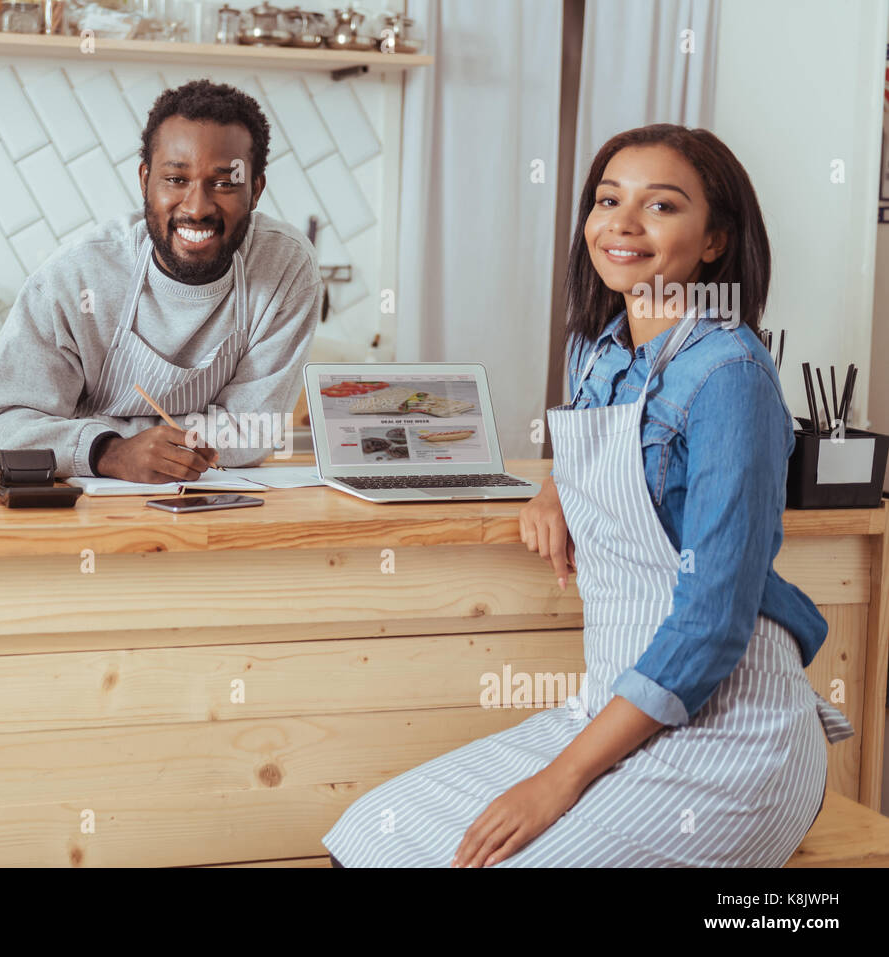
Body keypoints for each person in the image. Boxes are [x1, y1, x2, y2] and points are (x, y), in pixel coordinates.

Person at [322, 123, 854, 868]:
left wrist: (559, 780)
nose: (622, 224)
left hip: (730, 741)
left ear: (715, 240)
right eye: (608, 200)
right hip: (610, 711)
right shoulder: (598, 347)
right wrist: (555, 484)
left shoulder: (732, 375)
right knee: (368, 833)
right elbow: (618, 457)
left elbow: (712, 622)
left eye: (661, 206)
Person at [0, 79, 323, 482]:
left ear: (255, 190)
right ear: (145, 180)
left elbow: (254, 432)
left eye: (223, 183)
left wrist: (94, 431)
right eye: (176, 179)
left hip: (213, 504)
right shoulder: (75, 277)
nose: (197, 208)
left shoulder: (286, 267)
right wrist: (109, 452)